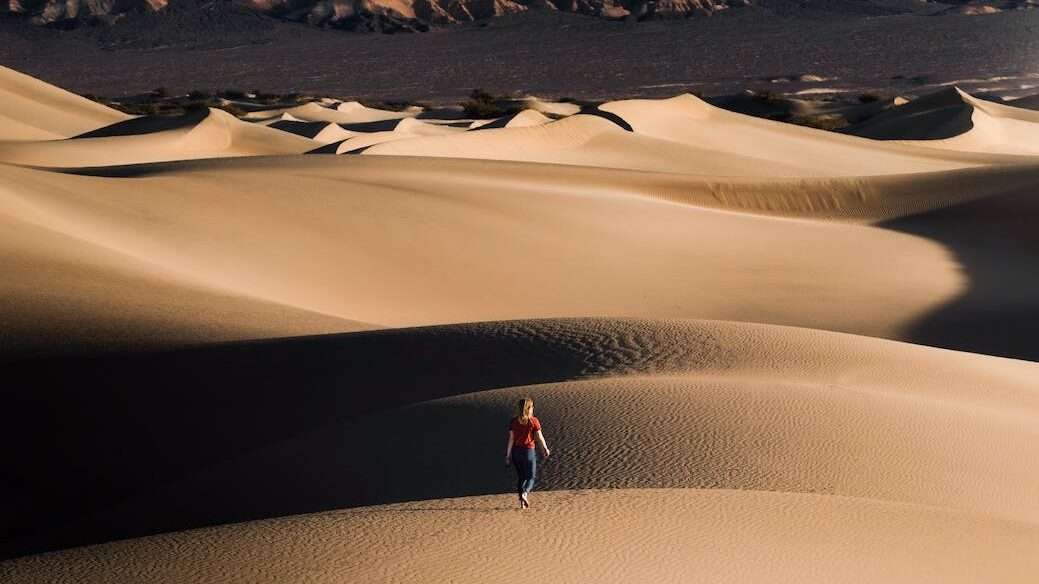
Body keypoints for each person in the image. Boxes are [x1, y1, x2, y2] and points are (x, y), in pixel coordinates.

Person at [505, 397, 550, 509]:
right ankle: (525, 493)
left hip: (516, 452)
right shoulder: (533, 421)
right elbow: (539, 437)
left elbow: (511, 439)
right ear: (528, 408)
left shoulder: (513, 421)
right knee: (531, 477)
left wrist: (508, 455)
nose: (533, 408)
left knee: (521, 477)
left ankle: (522, 503)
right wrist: (545, 448)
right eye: (532, 406)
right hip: (528, 452)